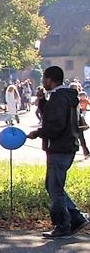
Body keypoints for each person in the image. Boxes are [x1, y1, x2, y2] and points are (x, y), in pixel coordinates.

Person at [28, 66, 90, 238]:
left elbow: (54, 124)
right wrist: (42, 102)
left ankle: (63, 225)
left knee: (55, 188)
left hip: (58, 147)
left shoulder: (57, 98)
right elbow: (53, 116)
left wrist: (38, 133)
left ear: (49, 80)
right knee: (53, 185)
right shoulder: (68, 97)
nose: (43, 83)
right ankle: (76, 218)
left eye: (44, 80)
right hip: (68, 145)